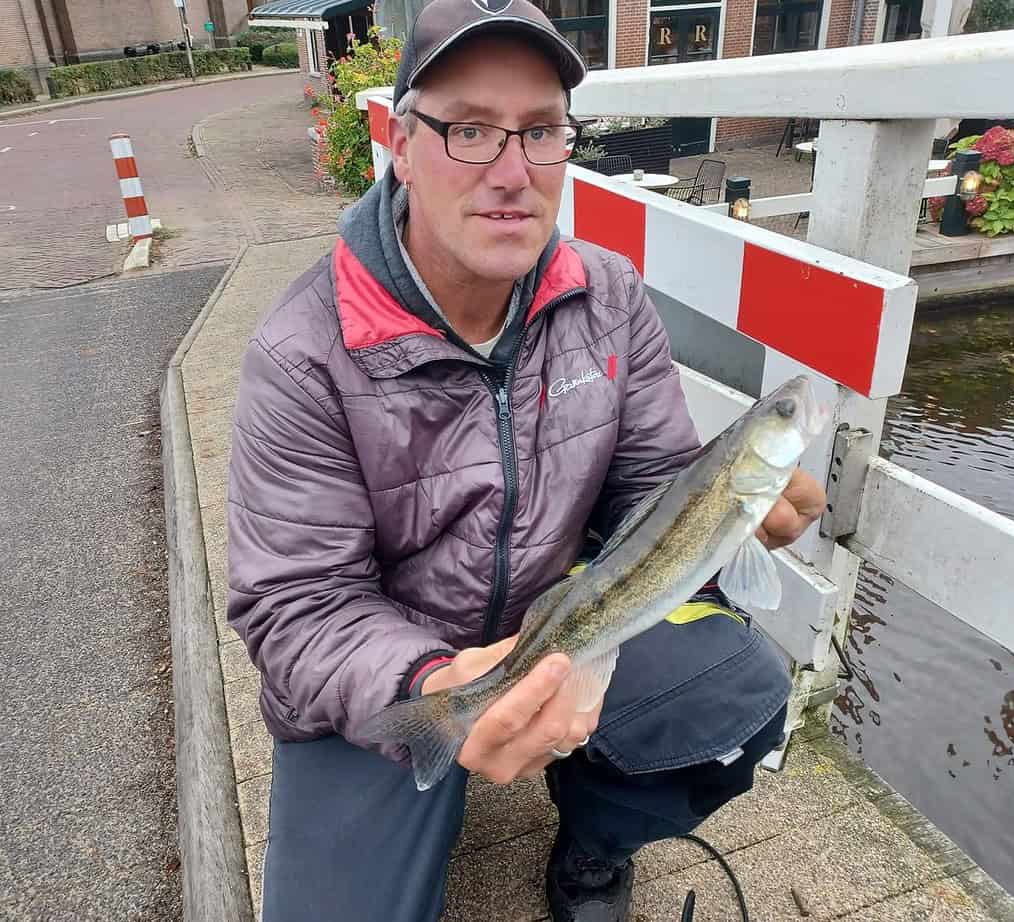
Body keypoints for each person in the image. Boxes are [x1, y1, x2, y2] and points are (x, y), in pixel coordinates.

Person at [226, 0, 827, 919]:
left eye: (541, 131)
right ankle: (432, 750)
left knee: (739, 700)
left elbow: (655, 489)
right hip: (394, 668)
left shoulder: (609, 295)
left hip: (563, 617)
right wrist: (428, 684)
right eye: (469, 130)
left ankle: (595, 839)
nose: (512, 172)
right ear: (398, 139)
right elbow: (295, 604)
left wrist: (744, 519)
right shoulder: (303, 353)